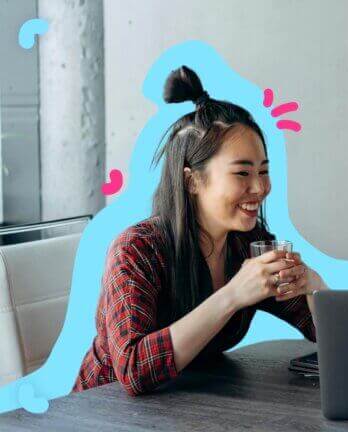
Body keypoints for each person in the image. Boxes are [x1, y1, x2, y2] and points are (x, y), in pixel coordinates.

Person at [74, 66, 327, 395]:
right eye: (242, 173)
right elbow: (133, 370)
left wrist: (314, 288)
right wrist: (233, 295)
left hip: (187, 406)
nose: (260, 187)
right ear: (192, 180)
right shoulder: (136, 250)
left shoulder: (247, 244)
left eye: (264, 171)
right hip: (100, 411)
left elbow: (322, 332)